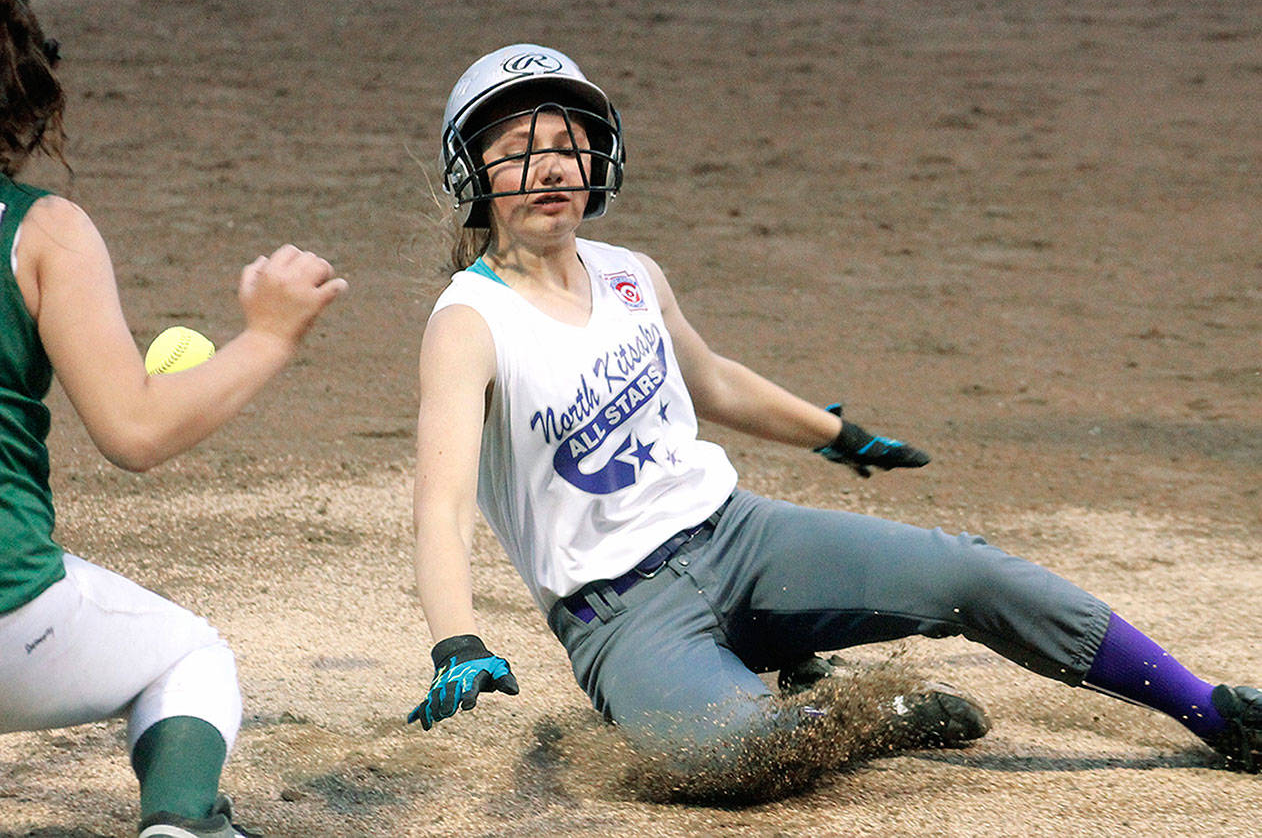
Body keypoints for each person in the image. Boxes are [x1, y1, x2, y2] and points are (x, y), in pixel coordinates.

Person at [407, 42, 1260, 787]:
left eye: (568, 144)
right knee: (731, 757)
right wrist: (459, 641)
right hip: (622, 615)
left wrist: (836, 434)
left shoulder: (630, 270)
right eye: (519, 151)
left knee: (972, 575)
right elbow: (441, 508)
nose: (552, 167)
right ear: (472, 177)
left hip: (739, 536)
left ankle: (1214, 712)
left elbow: (712, 381)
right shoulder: (468, 323)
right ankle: (867, 718)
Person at [0, 0, 347, 837]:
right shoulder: (45, 229)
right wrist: (270, 338)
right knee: (188, 654)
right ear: (19, 93)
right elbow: (133, 432)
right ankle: (181, 822)